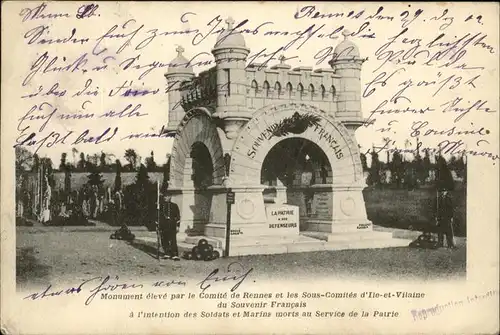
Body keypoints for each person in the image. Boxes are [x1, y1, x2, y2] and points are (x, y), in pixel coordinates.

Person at [159, 195, 181, 260]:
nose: (165, 198)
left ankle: (175, 254)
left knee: (173, 240)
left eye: (167, 196)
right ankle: (167, 253)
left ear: (170, 197)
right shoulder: (161, 206)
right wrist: (158, 225)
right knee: (164, 239)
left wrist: (177, 226)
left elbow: (178, 216)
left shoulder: (174, 206)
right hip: (163, 225)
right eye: (164, 197)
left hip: (172, 225)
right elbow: (159, 216)